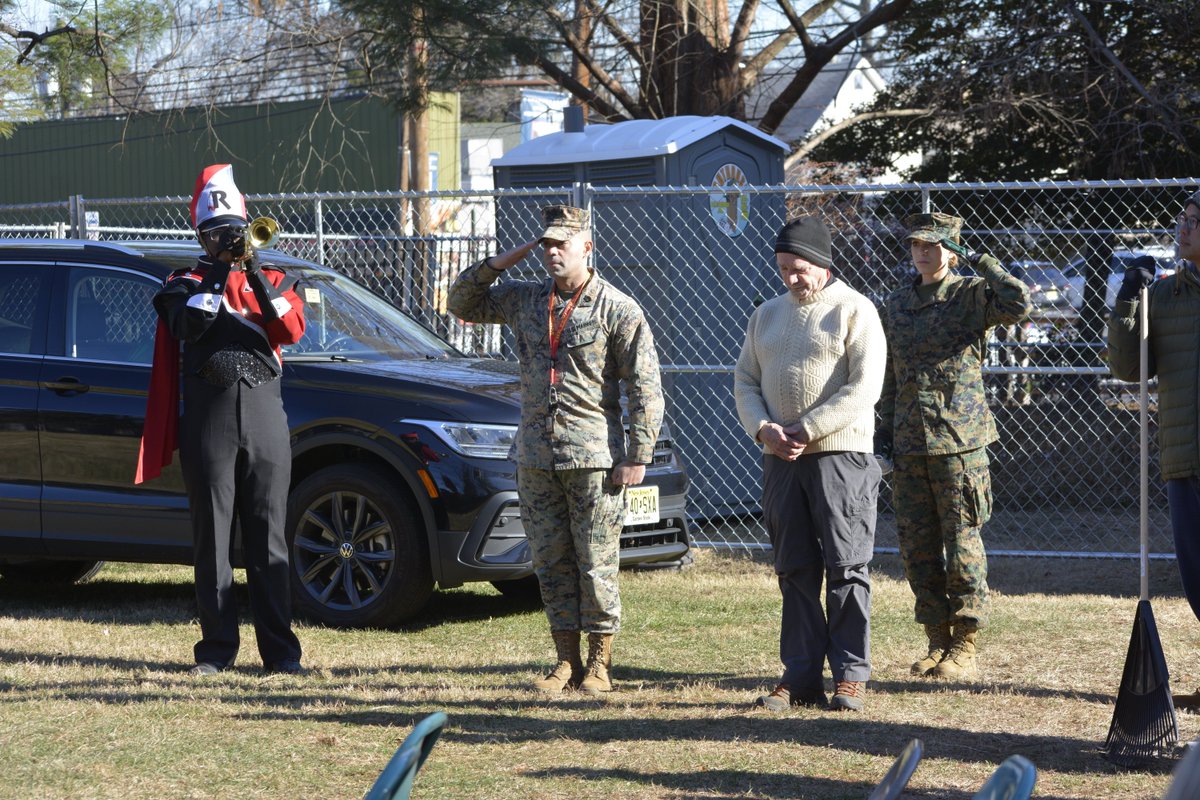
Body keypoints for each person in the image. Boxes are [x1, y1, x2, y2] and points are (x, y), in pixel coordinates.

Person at [446, 205, 663, 695]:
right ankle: (564, 661)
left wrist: (638, 455)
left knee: (596, 562)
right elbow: (461, 303)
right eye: (545, 244)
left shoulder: (617, 307)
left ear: (587, 246)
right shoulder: (526, 299)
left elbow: (645, 387)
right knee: (550, 560)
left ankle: (600, 663)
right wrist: (502, 261)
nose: (551, 252)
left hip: (592, 458)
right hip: (536, 457)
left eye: (561, 243)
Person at [135, 164, 307, 676]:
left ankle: (281, 653)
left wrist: (249, 266)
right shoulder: (180, 282)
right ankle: (215, 651)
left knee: (270, 534)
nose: (229, 238)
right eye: (217, 232)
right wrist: (217, 270)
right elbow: (190, 323)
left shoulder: (277, 278)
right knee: (212, 538)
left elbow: (290, 328)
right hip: (209, 415)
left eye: (235, 228)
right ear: (201, 236)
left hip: (264, 414)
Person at [734, 216, 887, 712]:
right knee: (795, 568)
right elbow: (745, 382)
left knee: (847, 566)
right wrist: (764, 430)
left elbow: (865, 387)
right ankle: (800, 676)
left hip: (840, 456)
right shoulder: (767, 315)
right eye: (783, 268)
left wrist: (810, 427)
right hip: (780, 459)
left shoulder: (854, 310)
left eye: (799, 269)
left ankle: (850, 675)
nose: (791, 278)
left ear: (822, 264)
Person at [876, 212, 1030, 681]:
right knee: (917, 547)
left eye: (935, 245)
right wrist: (883, 432)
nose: (924, 252)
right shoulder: (897, 303)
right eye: (917, 244)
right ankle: (936, 638)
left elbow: (1018, 302)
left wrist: (980, 259)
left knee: (961, 544)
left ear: (952, 249)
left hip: (958, 442)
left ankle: (966, 642)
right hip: (909, 443)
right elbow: (890, 374)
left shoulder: (970, 295)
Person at [1107, 191, 1200, 710]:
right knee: (1198, 577)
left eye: (1194, 222)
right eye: (1182, 220)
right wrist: (1128, 298)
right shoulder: (1164, 297)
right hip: (1186, 458)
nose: (1182, 229)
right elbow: (1130, 370)